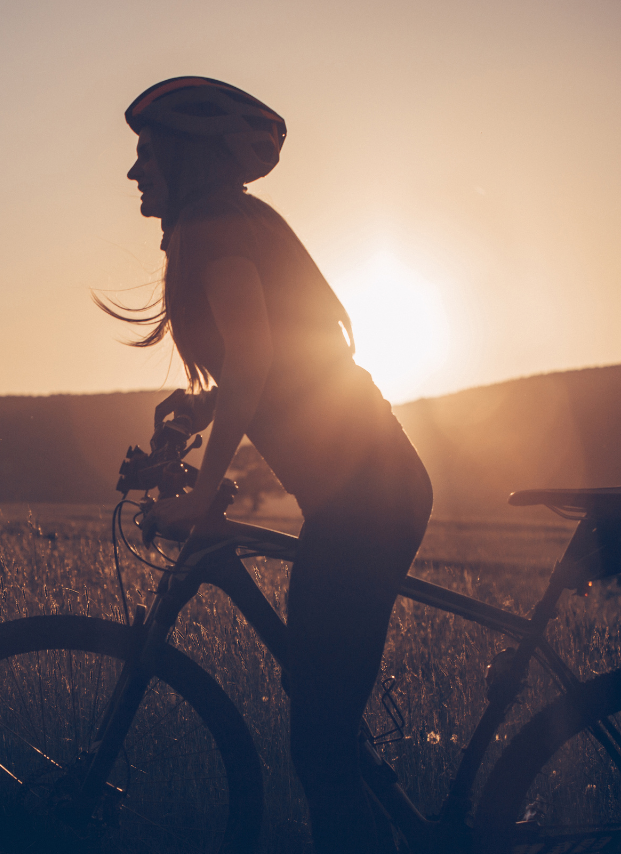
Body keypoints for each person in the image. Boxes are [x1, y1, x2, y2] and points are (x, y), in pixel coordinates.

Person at [104, 76, 434, 854]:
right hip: (367, 495)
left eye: (147, 150)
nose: (134, 169)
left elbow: (255, 362)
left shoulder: (214, 226)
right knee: (324, 722)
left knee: (320, 749)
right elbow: (286, 370)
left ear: (187, 155)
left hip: (365, 504)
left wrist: (204, 491)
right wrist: (203, 411)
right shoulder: (223, 224)